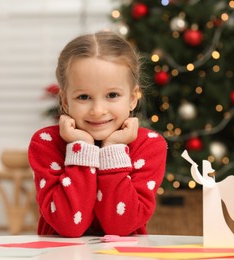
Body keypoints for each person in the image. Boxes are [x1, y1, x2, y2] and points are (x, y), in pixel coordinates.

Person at [28, 31, 167, 237]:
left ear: (133, 98)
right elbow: (68, 225)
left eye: (112, 95)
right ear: (65, 101)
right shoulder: (46, 143)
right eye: (84, 96)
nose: (97, 110)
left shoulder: (149, 145)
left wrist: (113, 150)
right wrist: (81, 148)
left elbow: (120, 226)